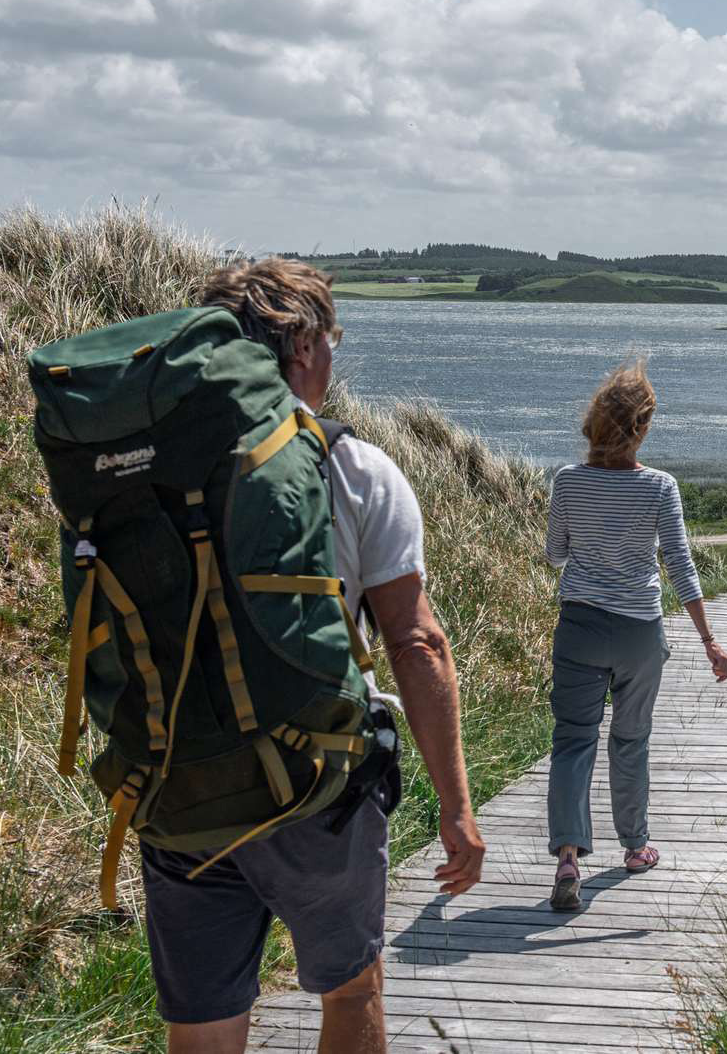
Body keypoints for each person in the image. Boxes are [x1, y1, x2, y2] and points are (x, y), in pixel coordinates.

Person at [142, 259, 485, 1054]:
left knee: (201, 1023)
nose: (334, 355)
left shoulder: (150, 466)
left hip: (178, 777)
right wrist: (458, 807)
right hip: (315, 785)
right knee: (351, 987)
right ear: (300, 346)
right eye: (330, 337)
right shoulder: (354, 469)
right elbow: (416, 642)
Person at [542, 360, 727, 911]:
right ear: (641, 428)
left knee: (573, 739)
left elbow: (555, 553)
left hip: (579, 625)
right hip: (639, 632)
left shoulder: (568, 481)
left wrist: (587, 546)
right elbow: (679, 563)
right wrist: (708, 640)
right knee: (631, 740)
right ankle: (634, 845)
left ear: (595, 424)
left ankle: (569, 858)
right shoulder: (659, 487)